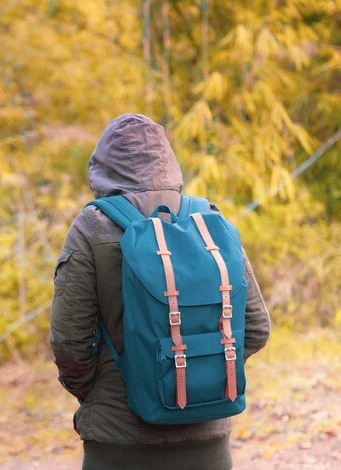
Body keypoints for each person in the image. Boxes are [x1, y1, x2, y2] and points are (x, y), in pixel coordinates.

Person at [50, 114, 271, 470]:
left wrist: (96, 393)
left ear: (101, 168)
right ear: (168, 161)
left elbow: (69, 342)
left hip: (118, 442)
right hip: (209, 443)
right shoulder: (207, 220)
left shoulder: (92, 226)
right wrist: (205, 376)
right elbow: (256, 328)